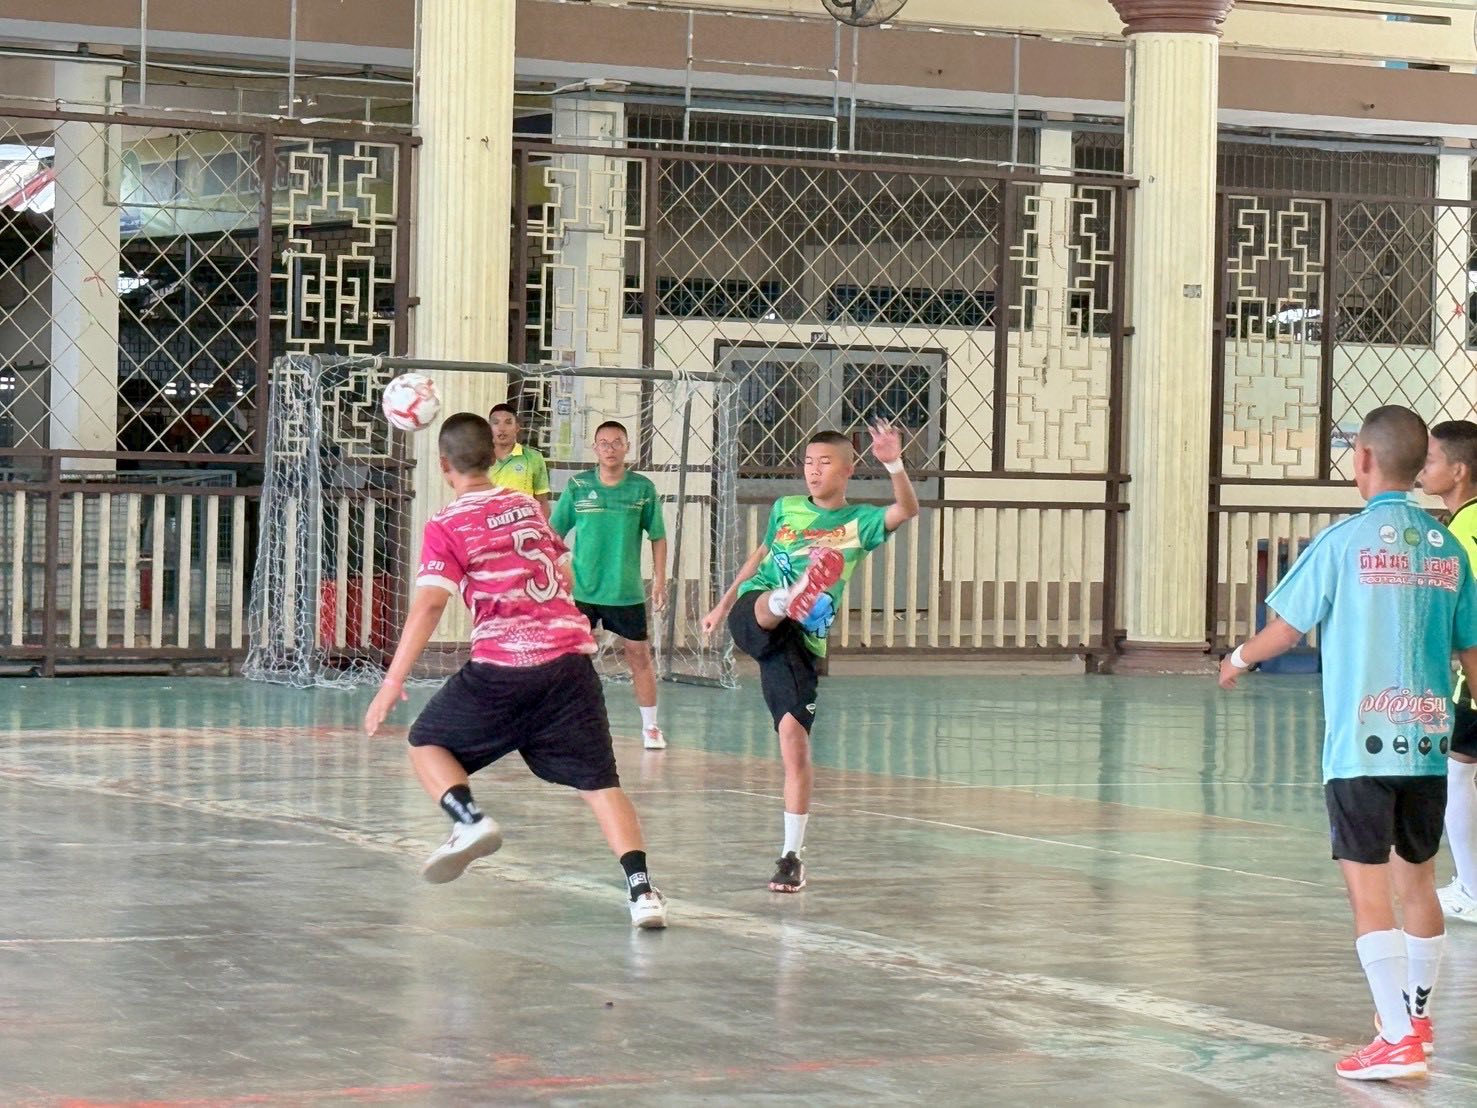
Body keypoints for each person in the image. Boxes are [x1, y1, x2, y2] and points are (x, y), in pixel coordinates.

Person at [1219, 405, 1477, 1080]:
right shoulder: (1446, 548)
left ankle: (1395, 1039)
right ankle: (1416, 1020)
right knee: (1417, 883)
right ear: (1417, 466)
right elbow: (1472, 652)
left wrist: (1238, 658)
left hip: (1361, 749)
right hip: (1427, 745)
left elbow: (1286, 629)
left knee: (1368, 894)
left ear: (1361, 459)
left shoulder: (1342, 543)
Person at [363, 412, 667, 929]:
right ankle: (642, 893)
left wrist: (391, 682)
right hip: (570, 663)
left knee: (425, 743)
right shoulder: (526, 505)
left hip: (505, 667)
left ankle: (469, 820)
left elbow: (430, 605)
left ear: (443, 465)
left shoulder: (446, 524)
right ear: (493, 458)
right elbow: (565, 573)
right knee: (601, 784)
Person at [701, 420, 918, 893]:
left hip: (800, 642)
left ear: (848, 470)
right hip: (757, 608)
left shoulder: (859, 522)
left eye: (824, 463)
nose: (813, 471)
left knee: (794, 743)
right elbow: (758, 557)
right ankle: (788, 596)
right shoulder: (786, 508)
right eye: (807, 463)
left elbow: (906, 508)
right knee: (763, 610)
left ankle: (791, 856)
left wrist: (894, 464)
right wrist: (722, 603)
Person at [550, 420, 670, 751]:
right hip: (583, 591)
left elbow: (658, 537)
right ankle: (566, 724)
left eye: (617, 442)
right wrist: (560, 573)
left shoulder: (642, 489)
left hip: (625, 592)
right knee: (572, 659)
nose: (610, 448)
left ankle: (651, 727)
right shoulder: (578, 485)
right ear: (595, 448)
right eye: (604, 443)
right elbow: (552, 534)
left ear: (627, 447)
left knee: (638, 656)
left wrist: (660, 580)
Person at [1418, 419, 1477, 923]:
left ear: (1458, 471)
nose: (1422, 468)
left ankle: (1472, 890)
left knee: (1459, 771)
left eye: (1430, 459)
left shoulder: (1456, 536)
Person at [488, 402, 551, 516]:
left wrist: (542, 525)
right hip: (487, 523)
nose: (502, 428)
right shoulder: (480, 458)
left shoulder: (533, 458)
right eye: (496, 423)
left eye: (508, 422)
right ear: (488, 428)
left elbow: (541, 501)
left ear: (517, 427)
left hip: (523, 524)